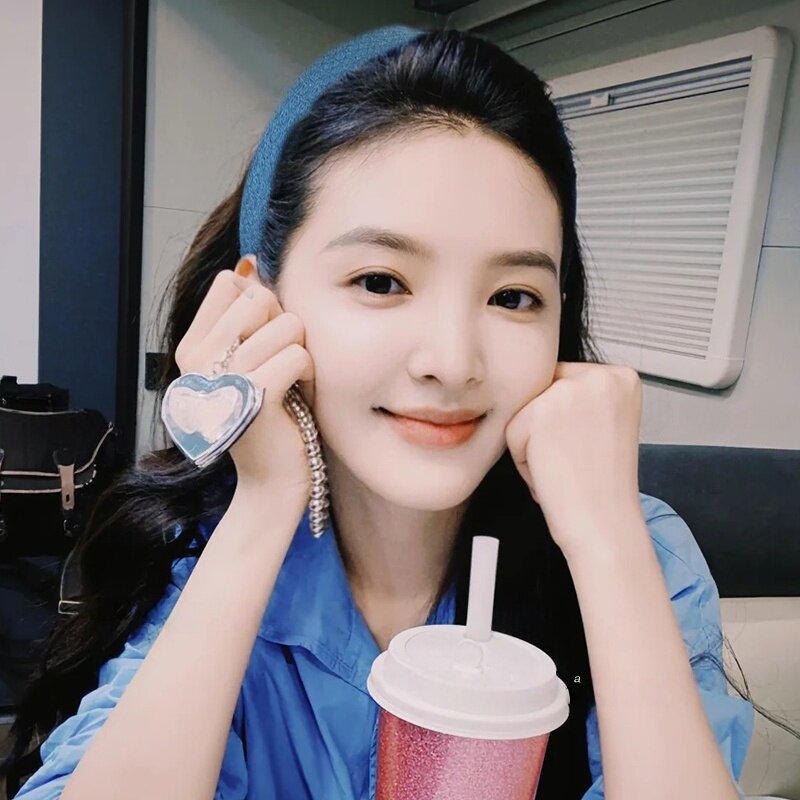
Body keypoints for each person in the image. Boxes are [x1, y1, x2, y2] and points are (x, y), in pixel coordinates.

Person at [2, 24, 761, 800]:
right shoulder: (194, 549)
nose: (453, 362)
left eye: (513, 296)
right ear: (258, 305)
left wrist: (607, 546)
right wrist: (264, 504)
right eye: (380, 281)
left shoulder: (641, 551)